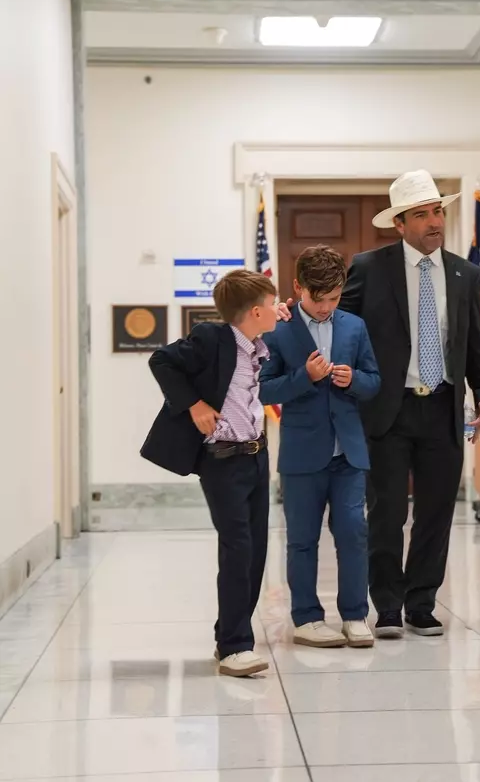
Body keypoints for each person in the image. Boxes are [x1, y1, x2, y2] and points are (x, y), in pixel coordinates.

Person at [338, 170, 480, 638]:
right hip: (388, 410)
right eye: (422, 214)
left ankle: (421, 601)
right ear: (400, 224)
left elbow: (471, 343)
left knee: (435, 512)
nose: (433, 222)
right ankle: (386, 604)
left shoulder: (466, 274)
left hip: (443, 408)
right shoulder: (370, 267)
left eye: (437, 212)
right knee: (387, 512)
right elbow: (344, 329)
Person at [141, 269, 278, 677]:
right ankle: (235, 645)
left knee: (255, 550)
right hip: (223, 460)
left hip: (256, 457)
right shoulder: (211, 338)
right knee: (237, 547)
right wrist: (194, 404)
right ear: (255, 311)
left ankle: (230, 632)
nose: (277, 309)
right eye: (272, 305)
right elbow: (161, 360)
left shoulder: (256, 343)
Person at [260, 245, 381, 648]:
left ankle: (354, 615)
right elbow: (260, 389)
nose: (327, 306)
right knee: (302, 539)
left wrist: (355, 381)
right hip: (301, 454)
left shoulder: (354, 326)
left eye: (334, 298)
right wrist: (303, 378)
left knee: (353, 533)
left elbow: (373, 380)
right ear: (298, 288)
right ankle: (307, 618)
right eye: (318, 298)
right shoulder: (276, 329)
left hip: (348, 452)